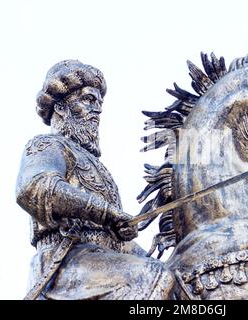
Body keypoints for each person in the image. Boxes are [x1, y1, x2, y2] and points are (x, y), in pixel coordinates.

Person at [15, 60, 174, 299]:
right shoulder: (46, 145)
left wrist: (126, 238)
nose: (97, 110)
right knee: (149, 275)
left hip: (100, 263)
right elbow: (34, 188)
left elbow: (109, 239)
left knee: (170, 278)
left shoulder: (98, 168)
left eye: (99, 103)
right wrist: (106, 213)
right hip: (63, 265)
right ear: (61, 107)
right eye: (89, 100)